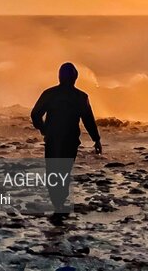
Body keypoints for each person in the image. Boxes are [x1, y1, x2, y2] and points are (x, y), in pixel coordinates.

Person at [31, 62, 102, 212]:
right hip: (70, 140)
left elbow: (35, 114)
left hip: (53, 139)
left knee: (53, 170)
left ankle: (57, 201)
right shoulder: (81, 97)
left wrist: (43, 129)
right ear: (75, 78)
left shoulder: (50, 94)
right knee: (64, 170)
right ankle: (60, 201)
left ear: (59, 77)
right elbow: (88, 120)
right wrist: (96, 139)